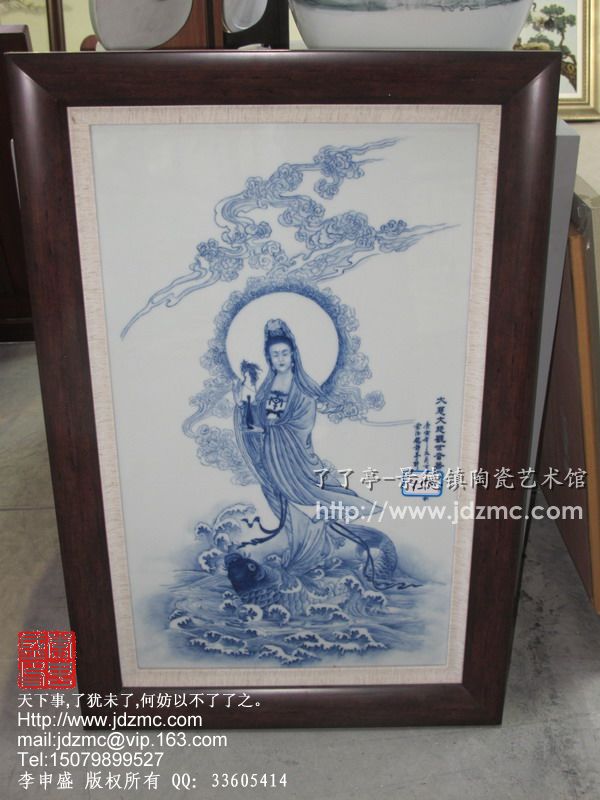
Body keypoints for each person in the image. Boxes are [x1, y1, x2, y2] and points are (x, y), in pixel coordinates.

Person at [233, 319, 401, 586]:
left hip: (294, 457)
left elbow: (301, 425)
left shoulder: (303, 388)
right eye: (275, 354)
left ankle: (333, 550)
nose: (280, 359)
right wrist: (247, 401)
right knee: (284, 505)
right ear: (269, 358)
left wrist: (271, 426)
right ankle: (305, 552)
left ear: (293, 355)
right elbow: (258, 422)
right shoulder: (268, 385)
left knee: (313, 501)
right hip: (270, 454)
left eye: (284, 353)